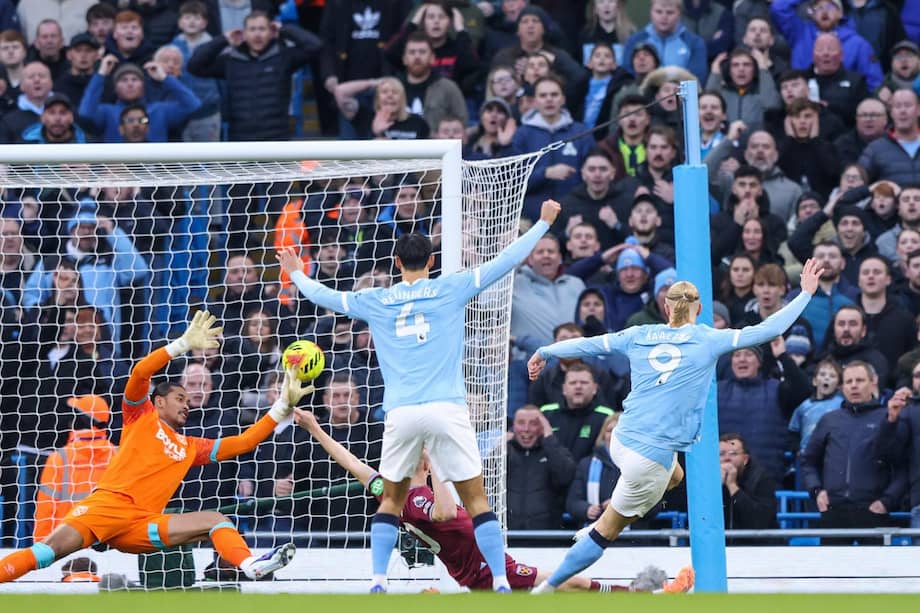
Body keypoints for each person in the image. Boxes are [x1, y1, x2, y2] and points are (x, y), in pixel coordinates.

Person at [277, 199, 564, 593]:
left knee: (390, 500)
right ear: (431, 261)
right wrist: (543, 224)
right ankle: (500, 580)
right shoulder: (452, 287)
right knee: (476, 500)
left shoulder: (374, 299)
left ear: (396, 263)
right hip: (447, 408)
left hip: (401, 412)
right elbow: (506, 261)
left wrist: (296, 272)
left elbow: (322, 296)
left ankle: (378, 581)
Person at [525, 258, 823, 593]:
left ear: (666, 309)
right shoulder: (708, 339)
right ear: (699, 310)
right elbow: (768, 330)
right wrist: (805, 294)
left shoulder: (638, 334)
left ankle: (604, 524)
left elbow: (589, 344)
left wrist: (545, 351)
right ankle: (547, 589)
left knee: (676, 476)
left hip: (620, 439)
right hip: (649, 458)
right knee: (607, 530)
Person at [0, 311, 306, 583]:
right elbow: (140, 373)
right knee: (46, 552)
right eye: (179, 398)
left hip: (143, 523)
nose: (187, 404)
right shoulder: (139, 416)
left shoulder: (190, 445)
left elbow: (245, 442)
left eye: (188, 401)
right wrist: (182, 345)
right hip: (108, 508)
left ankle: (251, 564)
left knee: (218, 520)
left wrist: (282, 404)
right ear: (158, 401)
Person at [293, 407, 692, 593]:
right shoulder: (415, 499)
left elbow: (352, 463)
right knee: (560, 581)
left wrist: (314, 428)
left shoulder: (389, 490)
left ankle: (640, 596)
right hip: (482, 571)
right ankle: (644, 597)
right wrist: (440, 467)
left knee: (561, 584)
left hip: (477, 566)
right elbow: (444, 511)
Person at [801, 361, 906, 530]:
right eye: (849, 382)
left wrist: (887, 501)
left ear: (873, 381)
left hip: (874, 510)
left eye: (860, 380)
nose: (854, 386)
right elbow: (809, 461)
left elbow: (903, 466)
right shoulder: (829, 420)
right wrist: (816, 491)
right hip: (833, 509)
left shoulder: (888, 418)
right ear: (842, 387)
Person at [32, 394, 117, 541]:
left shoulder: (59, 458)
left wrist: (41, 548)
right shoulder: (118, 456)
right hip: (109, 542)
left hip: (64, 543)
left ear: (80, 419)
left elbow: (45, 511)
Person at [506, 405, 577, 529]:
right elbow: (485, 481)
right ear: (513, 426)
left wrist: (549, 439)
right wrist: (499, 447)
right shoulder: (505, 452)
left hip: (546, 535)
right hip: (508, 533)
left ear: (543, 427)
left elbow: (566, 476)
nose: (526, 429)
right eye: (521, 423)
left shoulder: (553, 450)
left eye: (533, 423)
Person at [719, 433, 777, 530]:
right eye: (721, 454)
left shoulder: (761, 478)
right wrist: (716, 487)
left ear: (745, 459)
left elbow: (760, 521)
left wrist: (732, 486)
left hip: (756, 538)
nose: (727, 458)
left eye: (733, 454)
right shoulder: (707, 479)